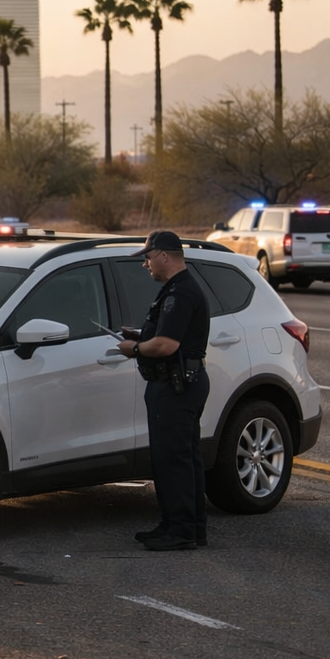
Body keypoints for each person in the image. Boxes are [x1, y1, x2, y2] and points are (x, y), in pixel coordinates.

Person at [116, 231, 212, 551]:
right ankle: (181, 524)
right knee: (181, 457)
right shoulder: (176, 289)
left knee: (174, 459)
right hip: (177, 383)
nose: (145, 264)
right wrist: (140, 335)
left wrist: (134, 348)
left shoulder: (180, 292)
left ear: (164, 256)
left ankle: (182, 530)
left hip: (176, 386)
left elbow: (167, 344)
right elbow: (166, 334)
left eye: (147, 257)